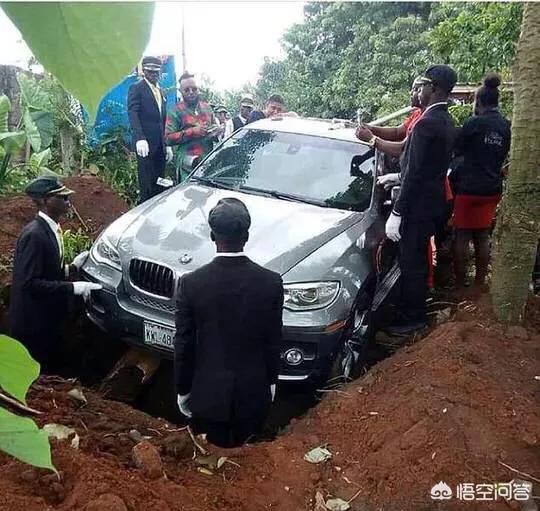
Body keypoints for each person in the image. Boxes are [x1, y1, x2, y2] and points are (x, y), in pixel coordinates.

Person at [174, 198, 284, 448]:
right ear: (246, 235)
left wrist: (182, 389)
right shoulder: (270, 282)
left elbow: (184, 344)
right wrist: (271, 381)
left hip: (207, 397)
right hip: (253, 395)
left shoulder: (192, 284)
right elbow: (273, 340)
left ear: (212, 236)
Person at [380, 65, 457, 335]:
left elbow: (414, 172)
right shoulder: (446, 121)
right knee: (417, 261)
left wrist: (398, 212)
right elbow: (422, 168)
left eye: (421, 86)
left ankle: (412, 320)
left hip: (418, 205)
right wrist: (396, 176)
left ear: (433, 88)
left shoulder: (426, 123)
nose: (417, 92)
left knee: (411, 262)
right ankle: (413, 313)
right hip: (432, 203)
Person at [9, 176, 102, 371]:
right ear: (44, 201)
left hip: (47, 320)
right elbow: (30, 283)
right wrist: (73, 288)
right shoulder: (34, 235)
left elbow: (46, 272)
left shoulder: (50, 229)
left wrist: (72, 268)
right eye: (62, 198)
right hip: (33, 325)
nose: (68, 202)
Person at [451, 73, 511, 290]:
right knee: (482, 234)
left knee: (462, 235)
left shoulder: (473, 123)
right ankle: (479, 284)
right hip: (492, 188)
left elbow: (457, 150)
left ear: (479, 102)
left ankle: (459, 285)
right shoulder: (506, 125)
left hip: (468, 188)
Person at [127, 56, 173, 203]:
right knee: (146, 181)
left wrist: (167, 143)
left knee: (159, 180)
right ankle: (146, 210)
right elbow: (133, 113)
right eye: (150, 72)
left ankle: (157, 207)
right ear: (144, 72)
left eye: (156, 72)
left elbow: (162, 119)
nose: (153, 75)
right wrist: (140, 137)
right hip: (145, 144)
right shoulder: (137, 88)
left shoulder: (160, 91)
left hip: (160, 144)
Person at [165, 72, 219, 182]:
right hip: (188, 166)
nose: (191, 92)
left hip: (207, 163)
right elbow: (167, 138)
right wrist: (193, 132)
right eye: (187, 90)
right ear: (181, 92)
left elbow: (213, 131)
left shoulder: (207, 108)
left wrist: (216, 133)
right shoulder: (175, 111)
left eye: (194, 89)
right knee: (188, 197)